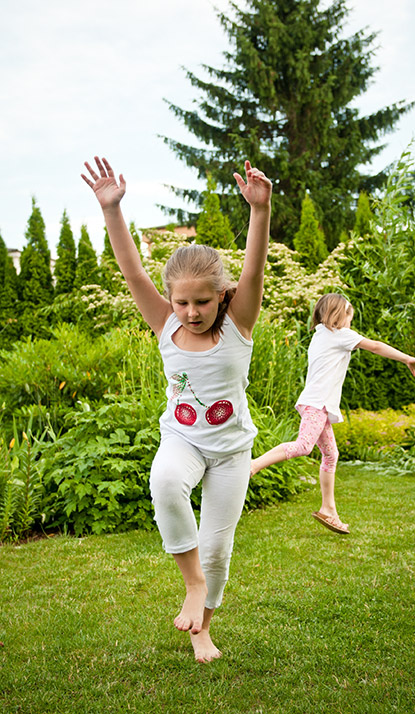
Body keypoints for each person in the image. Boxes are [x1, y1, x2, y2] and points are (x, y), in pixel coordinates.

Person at [82, 156, 272, 663]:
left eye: (203, 303)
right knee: (165, 482)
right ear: (170, 299)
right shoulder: (165, 323)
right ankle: (192, 585)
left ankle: (202, 628)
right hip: (183, 438)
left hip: (231, 451)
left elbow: (253, 267)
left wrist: (261, 210)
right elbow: (131, 268)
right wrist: (112, 210)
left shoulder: (239, 323)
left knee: (217, 548)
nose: (191, 313)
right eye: (182, 303)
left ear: (222, 297)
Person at [250, 293, 415, 535]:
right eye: (349, 318)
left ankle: (329, 509)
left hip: (318, 405)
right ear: (339, 315)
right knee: (304, 446)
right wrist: (407, 358)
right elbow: (376, 346)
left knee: (330, 454)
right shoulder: (339, 335)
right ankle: (251, 467)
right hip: (316, 404)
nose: (350, 324)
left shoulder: (320, 334)